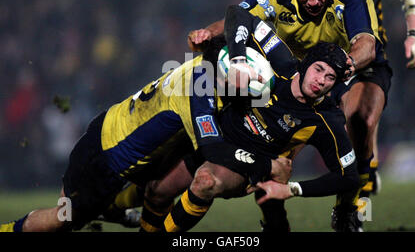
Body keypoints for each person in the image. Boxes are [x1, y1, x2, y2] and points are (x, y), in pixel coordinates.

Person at [0, 35, 292, 232]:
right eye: (243, 87)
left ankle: (113, 210)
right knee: (66, 218)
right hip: (106, 158)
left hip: (117, 134)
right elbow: (214, 151)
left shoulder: (208, 64)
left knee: (159, 187)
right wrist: (265, 165)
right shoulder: (199, 94)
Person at [187, 0, 383, 231]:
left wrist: (345, 65)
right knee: (274, 161)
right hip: (293, 75)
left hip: (344, 70)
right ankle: (275, 224)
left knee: (360, 123)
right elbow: (238, 18)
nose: (313, 0)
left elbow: (367, 44)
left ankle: (347, 208)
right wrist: (207, 32)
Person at [137, 5, 359, 232]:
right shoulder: (281, 62)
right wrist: (238, 61)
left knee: (205, 182)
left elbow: (349, 177)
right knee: (156, 191)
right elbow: (239, 14)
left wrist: (293, 189)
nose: (320, 80)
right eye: (318, 69)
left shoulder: (326, 119)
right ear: (305, 64)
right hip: (215, 140)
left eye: (330, 77)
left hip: (247, 166)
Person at [265, 0, 415, 204]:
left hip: (363, 51)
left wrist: (413, 34)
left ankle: (355, 201)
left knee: (360, 119)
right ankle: (274, 216)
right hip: (309, 56)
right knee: (284, 144)